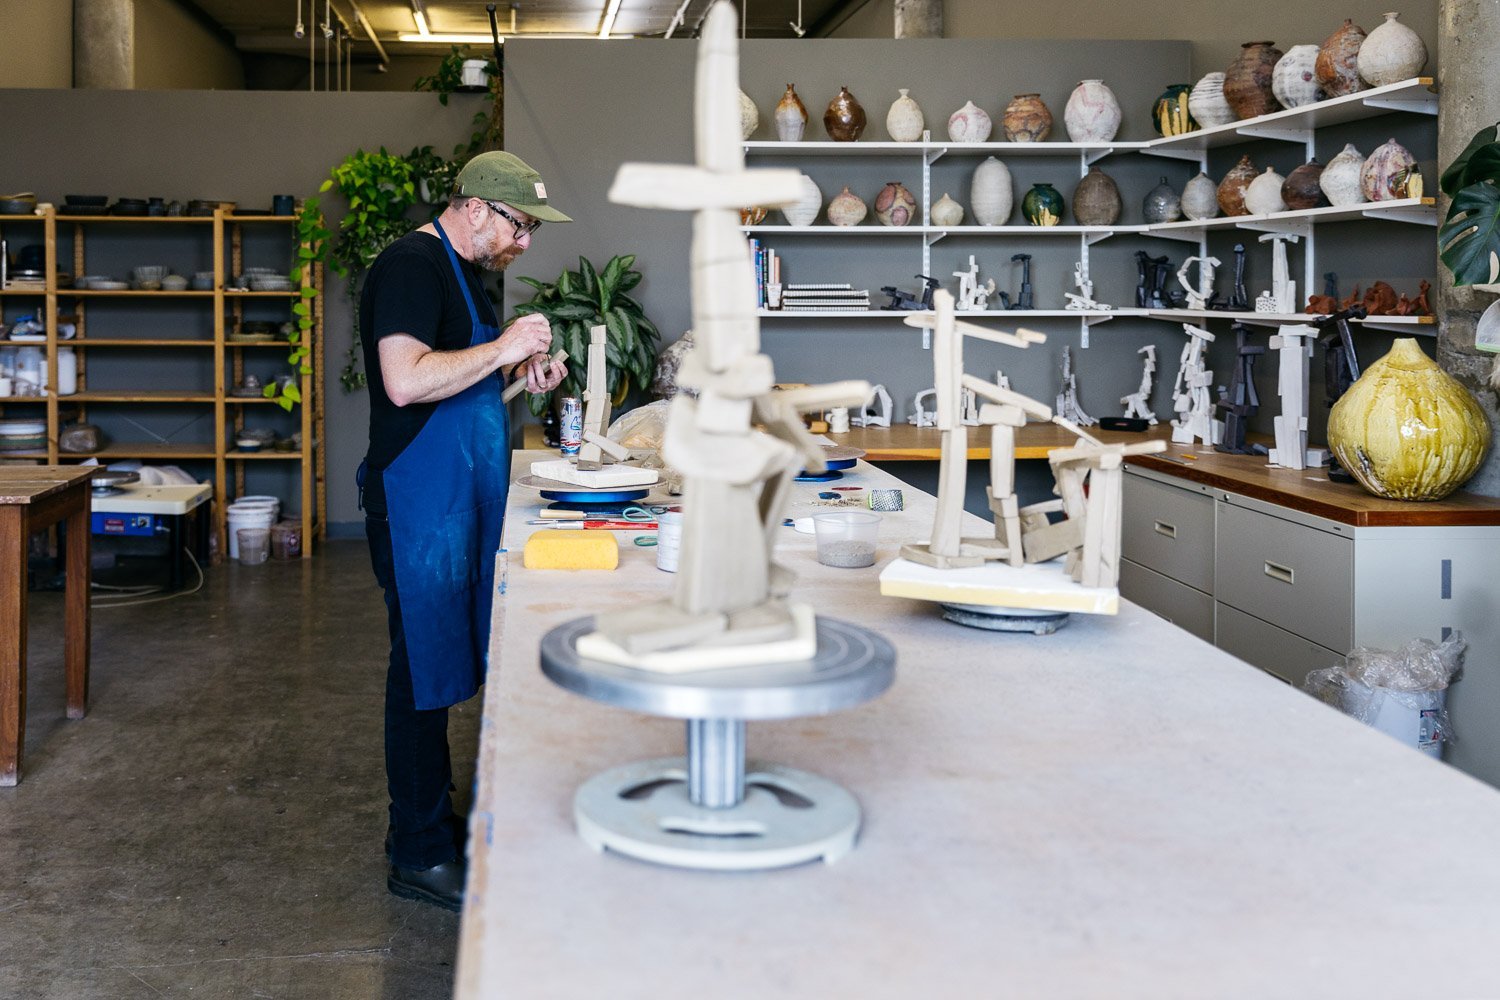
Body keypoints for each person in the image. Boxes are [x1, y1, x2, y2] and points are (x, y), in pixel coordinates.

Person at [359, 151, 569, 912]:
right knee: (419, 672)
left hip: (455, 501)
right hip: (418, 503)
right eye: (519, 225)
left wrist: (521, 376)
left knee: (442, 662)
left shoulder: (465, 273)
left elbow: (458, 383)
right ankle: (416, 853)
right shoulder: (411, 265)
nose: (525, 243)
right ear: (476, 208)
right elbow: (406, 381)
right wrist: (504, 346)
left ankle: (427, 825)